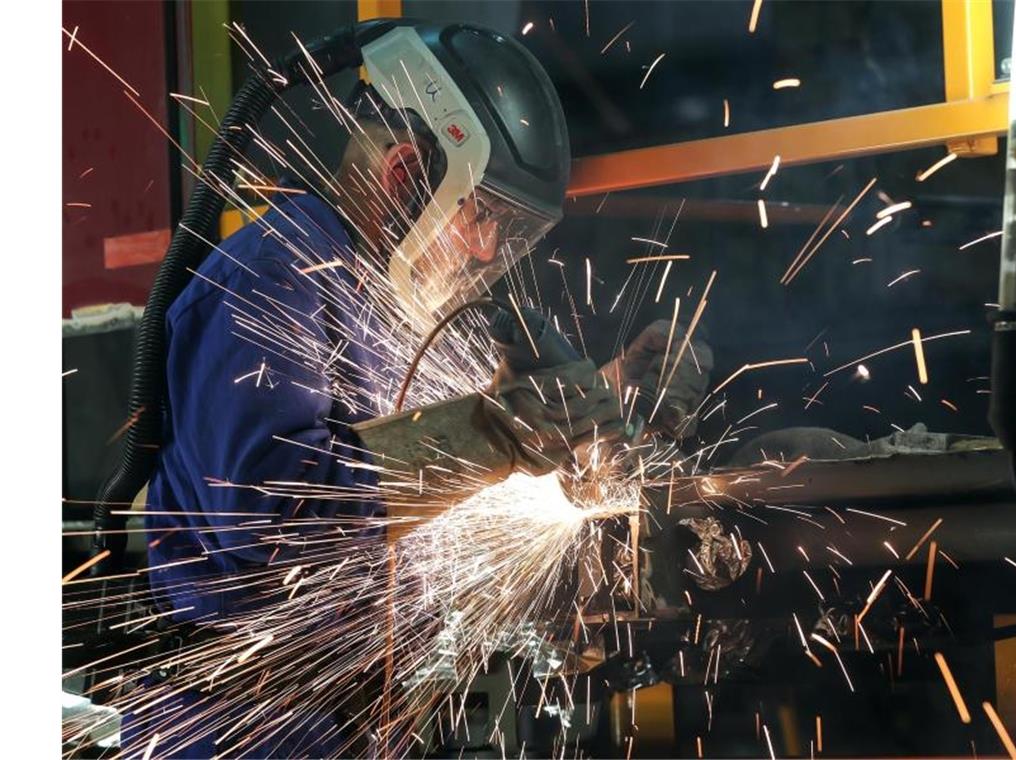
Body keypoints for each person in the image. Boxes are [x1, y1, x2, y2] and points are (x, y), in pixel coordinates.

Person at [125, 20, 711, 758]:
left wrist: (604, 396)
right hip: (241, 736)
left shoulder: (394, 302)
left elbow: (442, 469)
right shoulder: (270, 279)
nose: (491, 251)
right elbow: (273, 517)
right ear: (406, 176)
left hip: (355, 731)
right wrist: (497, 436)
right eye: (484, 214)